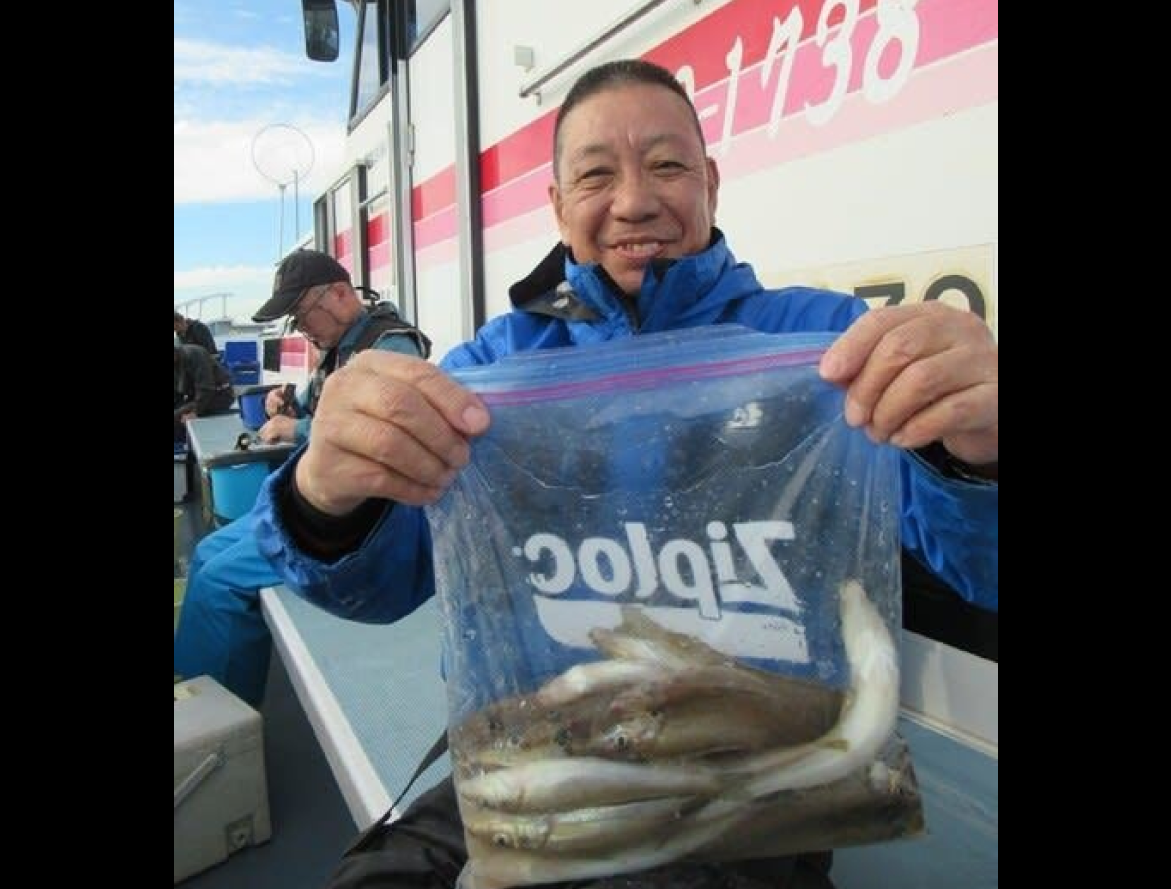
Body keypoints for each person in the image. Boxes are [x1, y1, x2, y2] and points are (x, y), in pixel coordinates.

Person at [253, 60, 998, 889]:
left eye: (668, 165)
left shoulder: (830, 350)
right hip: (533, 755)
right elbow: (375, 587)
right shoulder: (488, 371)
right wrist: (326, 492)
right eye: (596, 173)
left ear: (711, 181)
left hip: (760, 784)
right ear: (557, 204)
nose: (634, 200)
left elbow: (982, 569)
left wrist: (980, 447)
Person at [172, 249, 431, 707]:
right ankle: (195, 696)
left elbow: (390, 434)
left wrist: (297, 429)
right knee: (208, 551)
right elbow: (313, 404)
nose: (301, 327)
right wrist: (285, 403)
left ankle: (224, 727)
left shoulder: (391, 346)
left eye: (301, 314)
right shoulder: (339, 350)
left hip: (369, 518)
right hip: (317, 495)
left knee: (219, 585)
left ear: (339, 293)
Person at [173, 342, 234, 442]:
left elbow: (206, 388)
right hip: (197, 396)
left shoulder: (194, 354)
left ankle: (188, 451)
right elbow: (177, 393)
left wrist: (195, 412)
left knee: (176, 417)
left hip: (219, 394)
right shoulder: (176, 363)